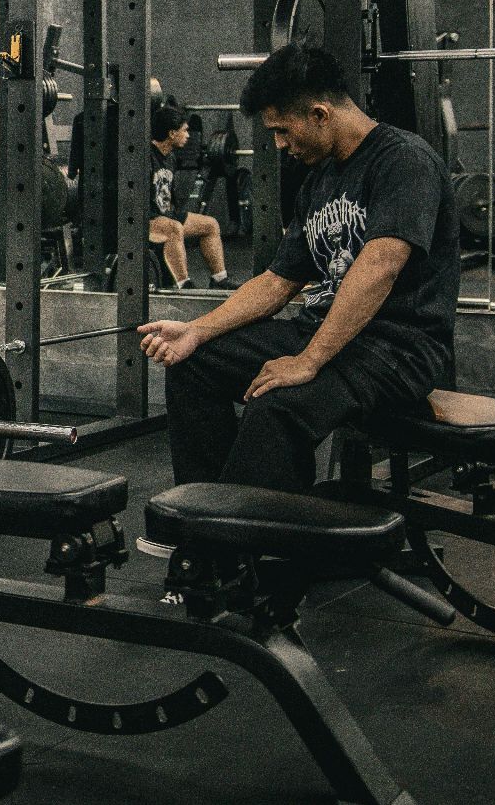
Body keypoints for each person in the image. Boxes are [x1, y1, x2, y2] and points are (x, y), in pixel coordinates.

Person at [137, 44, 457, 499]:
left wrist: (308, 361)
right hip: (327, 334)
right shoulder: (321, 179)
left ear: (321, 115)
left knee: (277, 401)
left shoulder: (405, 161)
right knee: (194, 364)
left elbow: (379, 267)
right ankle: (205, 517)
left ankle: (250, 538)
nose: (281, 145)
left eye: (282, 131)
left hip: (395, 350)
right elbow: (276, 282)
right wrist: (196, 330)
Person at [148, 103, 232, 289]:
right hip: (146, 219)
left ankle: (219, 280)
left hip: (167, 216)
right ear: (171, 133)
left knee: (210, 224)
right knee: (174, 228)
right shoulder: (145, 156)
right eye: (184, 131)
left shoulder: (170, 157)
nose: (188, 136)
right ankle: (184, 284)